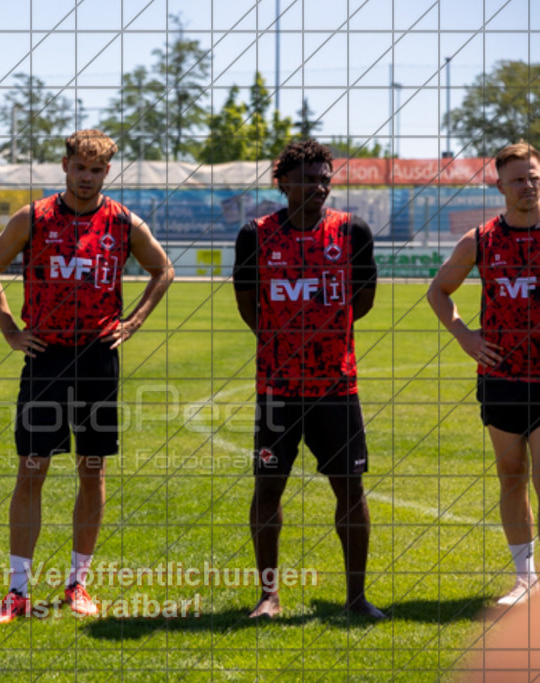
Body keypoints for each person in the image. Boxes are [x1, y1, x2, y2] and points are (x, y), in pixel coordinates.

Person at [0, 129, 174, 623]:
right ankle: (17, 592)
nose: (87, 178)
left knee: (93, 471)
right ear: (65, 166)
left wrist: (135, 321)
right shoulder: (35, 217)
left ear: (107, 172)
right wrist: (10, 331)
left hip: (98, 357)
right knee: (32, 469)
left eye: (97, 170)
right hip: (47, 356)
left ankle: (77, 585)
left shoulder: (123, 222)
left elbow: (163, 269)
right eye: (80, 168)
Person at [232, 138, 385, 619]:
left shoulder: (352, 231)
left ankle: (356, 597)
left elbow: (363, 300)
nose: (319, 186)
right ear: (282, 183)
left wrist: (324, 338)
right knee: (268, 487)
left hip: (337, 387)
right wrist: (281, 341)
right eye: (307, 178)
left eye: (324, 177)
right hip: (277, 387)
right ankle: (268, 595)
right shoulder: (255, 234)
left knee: (350, 488)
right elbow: (247, 304)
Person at [428, 140, 540, 606]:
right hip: (502, 378)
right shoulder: (481, 240)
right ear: (500, 186)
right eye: (518, 179)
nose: (529, 186)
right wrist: (465, 336)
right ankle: (525, 578)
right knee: (511, 474)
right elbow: (439, 291)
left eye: (534, 177)